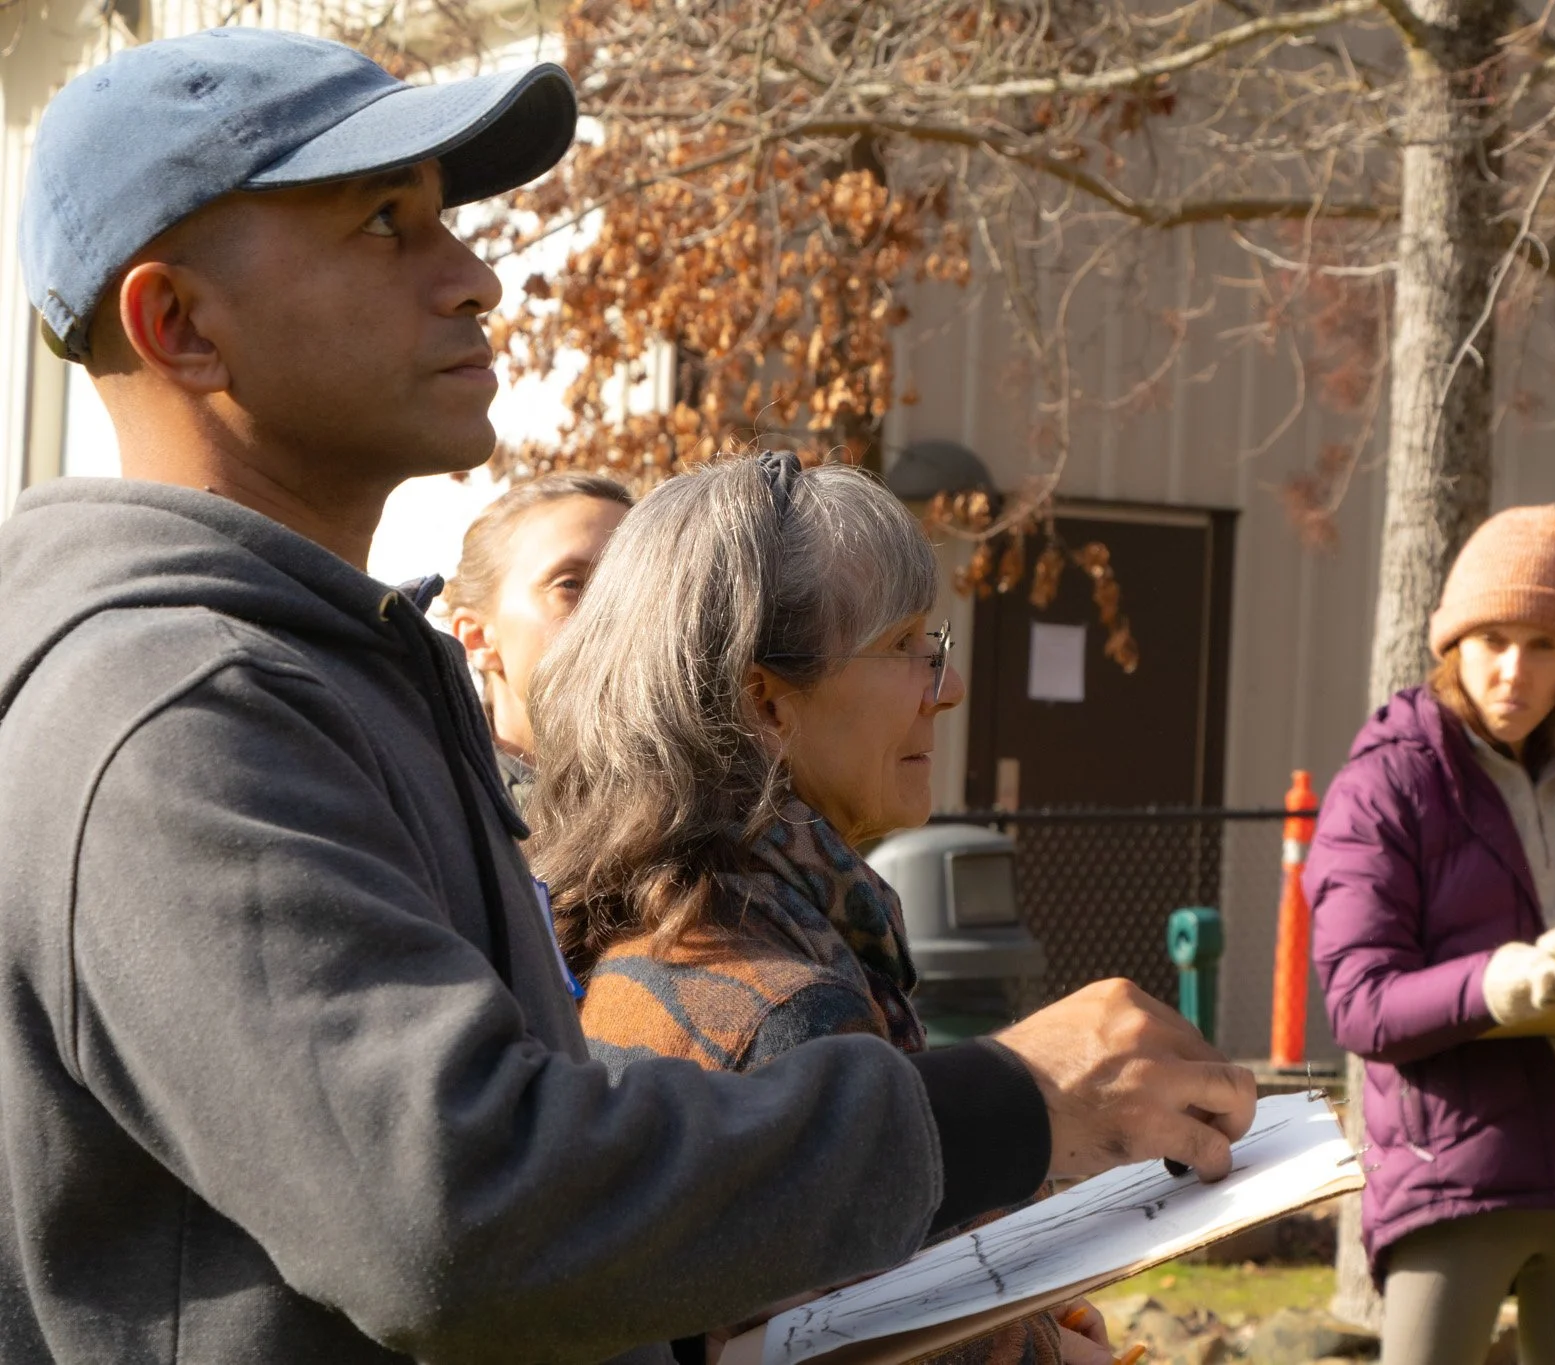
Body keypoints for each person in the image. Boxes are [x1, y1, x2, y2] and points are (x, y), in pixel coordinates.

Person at [0, 30, 1256, 1363]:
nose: (475, 276)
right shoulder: (177, 717)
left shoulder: (327, 672)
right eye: (384, 223)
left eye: (449, 219)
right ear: (177, 323)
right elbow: (459, 1211)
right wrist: (1009, 1101)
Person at [528, 451, 1111, 1364]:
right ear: (766, 701)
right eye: (910, 645)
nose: (946, 688)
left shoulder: (647, 922)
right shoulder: (778, 1004)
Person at [1306, 506, 1555, 1365]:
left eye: (1543, 644)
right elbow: (1359, 1002)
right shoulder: (1386, 782)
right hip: (1450, 1172)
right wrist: (1496, 980)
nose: (1514, 669)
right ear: (1451, 642)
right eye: (1493, 637)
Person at [445, 471, 634, 807]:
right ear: (477, 639)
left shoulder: (712, 800)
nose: (617, 610)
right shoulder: (435, 810)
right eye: (571, 584)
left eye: (634, 584)